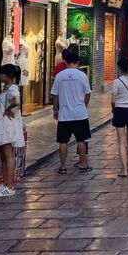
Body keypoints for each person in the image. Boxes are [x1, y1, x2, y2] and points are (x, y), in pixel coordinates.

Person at [50, 44, 92, 175]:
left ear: (65, 61)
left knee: (63, 141)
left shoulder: (60, 76)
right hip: (80, 113)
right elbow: (88, 93)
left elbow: (54, 95)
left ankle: (62, 166)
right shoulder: (82, 75)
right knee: (81, 139)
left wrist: (55, 109)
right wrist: (84, 105)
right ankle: (83, 164)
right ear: (77, 62)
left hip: (64, 114)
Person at [0, 64, 25, 197]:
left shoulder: (12, 88)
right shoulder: (6, 89)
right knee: (3, 156)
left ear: (8, 76)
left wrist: (8, 109)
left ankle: (10, 186)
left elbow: (16, 101)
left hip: (7, 126)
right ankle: (5, 183)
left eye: (2, 74)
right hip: (2, 124)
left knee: (8, 155)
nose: (0, 76)